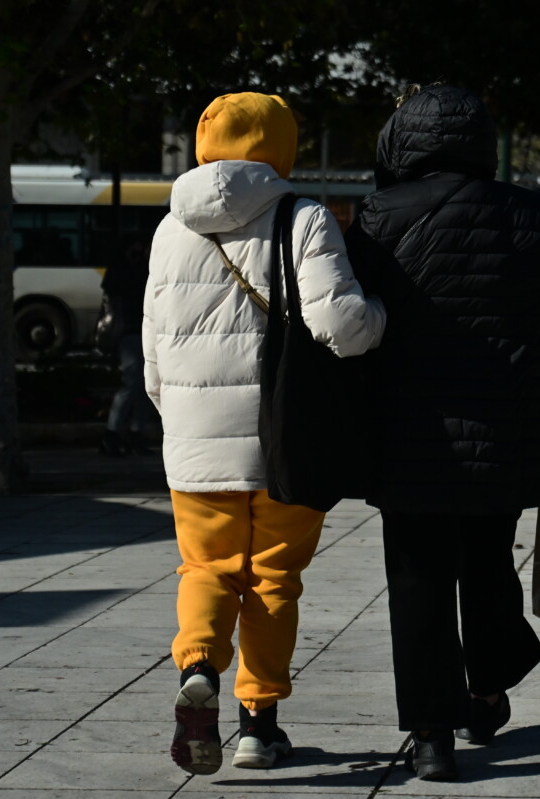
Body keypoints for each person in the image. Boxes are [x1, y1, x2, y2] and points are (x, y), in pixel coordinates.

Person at [344, 84, 540, 782]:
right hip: (507, 430)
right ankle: (487, 688)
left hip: (408, 434)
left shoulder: (375, 217)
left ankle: (431, 734)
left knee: (417, 576)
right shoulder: (535, 215)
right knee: (490, 561)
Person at [142, 92, 386, 775]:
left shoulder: (170, 229)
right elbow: (340, 325)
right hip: (290, 438)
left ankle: (199, 667)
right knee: (273, 578)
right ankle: (259, 724)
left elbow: (153, 354)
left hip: (194, 442)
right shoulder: (303, 216)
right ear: (282, 146)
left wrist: (181, 420)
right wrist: (382, 315)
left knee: (207, 569)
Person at [100, 237, 156, 456]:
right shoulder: (122, 270)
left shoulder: (143, 268)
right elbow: (114, 293)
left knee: (144, 385)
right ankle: (112, 433)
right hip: (129, 332)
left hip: (142, 331)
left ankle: (134, 433)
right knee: (132, 383)